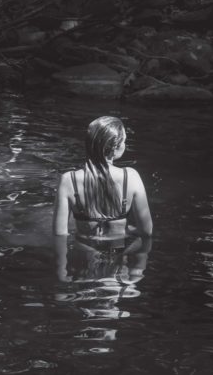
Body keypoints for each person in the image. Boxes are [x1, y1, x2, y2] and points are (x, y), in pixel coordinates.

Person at [52, 116, 152, 283]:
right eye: (124, 141)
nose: (125, 145)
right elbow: (147, 232)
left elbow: (60, 234)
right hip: (120, 260)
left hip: (84, 258)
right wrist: (137, 273)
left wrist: (62, 274)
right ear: (114, 148)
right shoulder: (131, 177)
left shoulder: (68, 180)